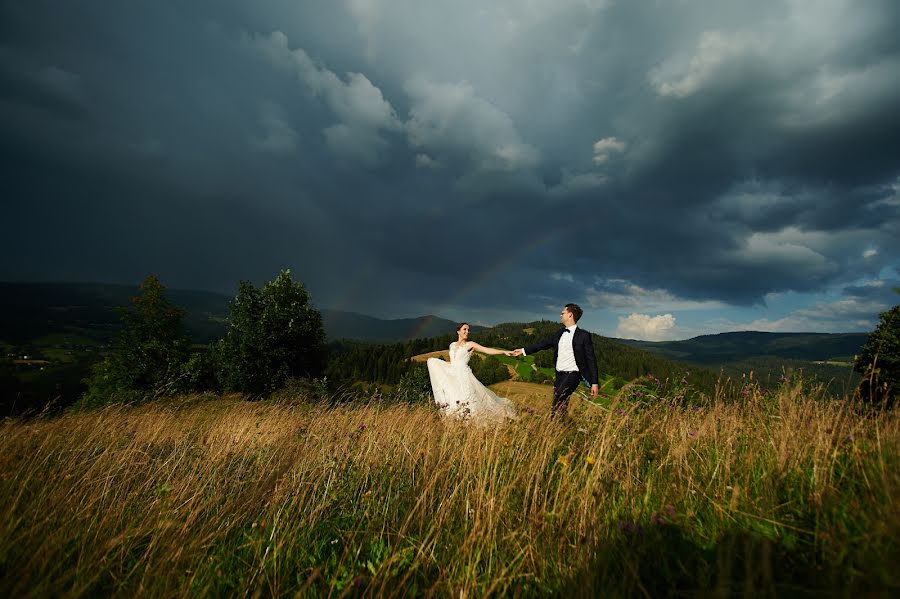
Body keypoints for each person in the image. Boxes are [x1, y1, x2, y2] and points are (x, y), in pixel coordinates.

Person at [511, 303, 599, 420]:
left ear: (570, 315)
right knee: (561, 404)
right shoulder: (559, 334)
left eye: (562, 313)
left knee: (558, 401)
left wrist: (594, 382)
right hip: (559, 375)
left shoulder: (583, 336)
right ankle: (562, 428)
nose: (560, 315)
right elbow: (542, 344)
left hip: (573, 375)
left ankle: (552, 424)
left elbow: (591, 359)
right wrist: (523, 350)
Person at [426, 323, 517, 423]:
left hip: (464, 375)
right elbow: (453, 362)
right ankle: (457, 419)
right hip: (453, 374)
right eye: (464, 329)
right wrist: (438, 364)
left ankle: (473, 420)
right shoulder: (452, 345)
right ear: (458, 331)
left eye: (468, 330)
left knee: (468, 397)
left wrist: (503, 352)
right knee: (454, 395)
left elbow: (487, 350)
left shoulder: (470, 344)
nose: (467, 332)